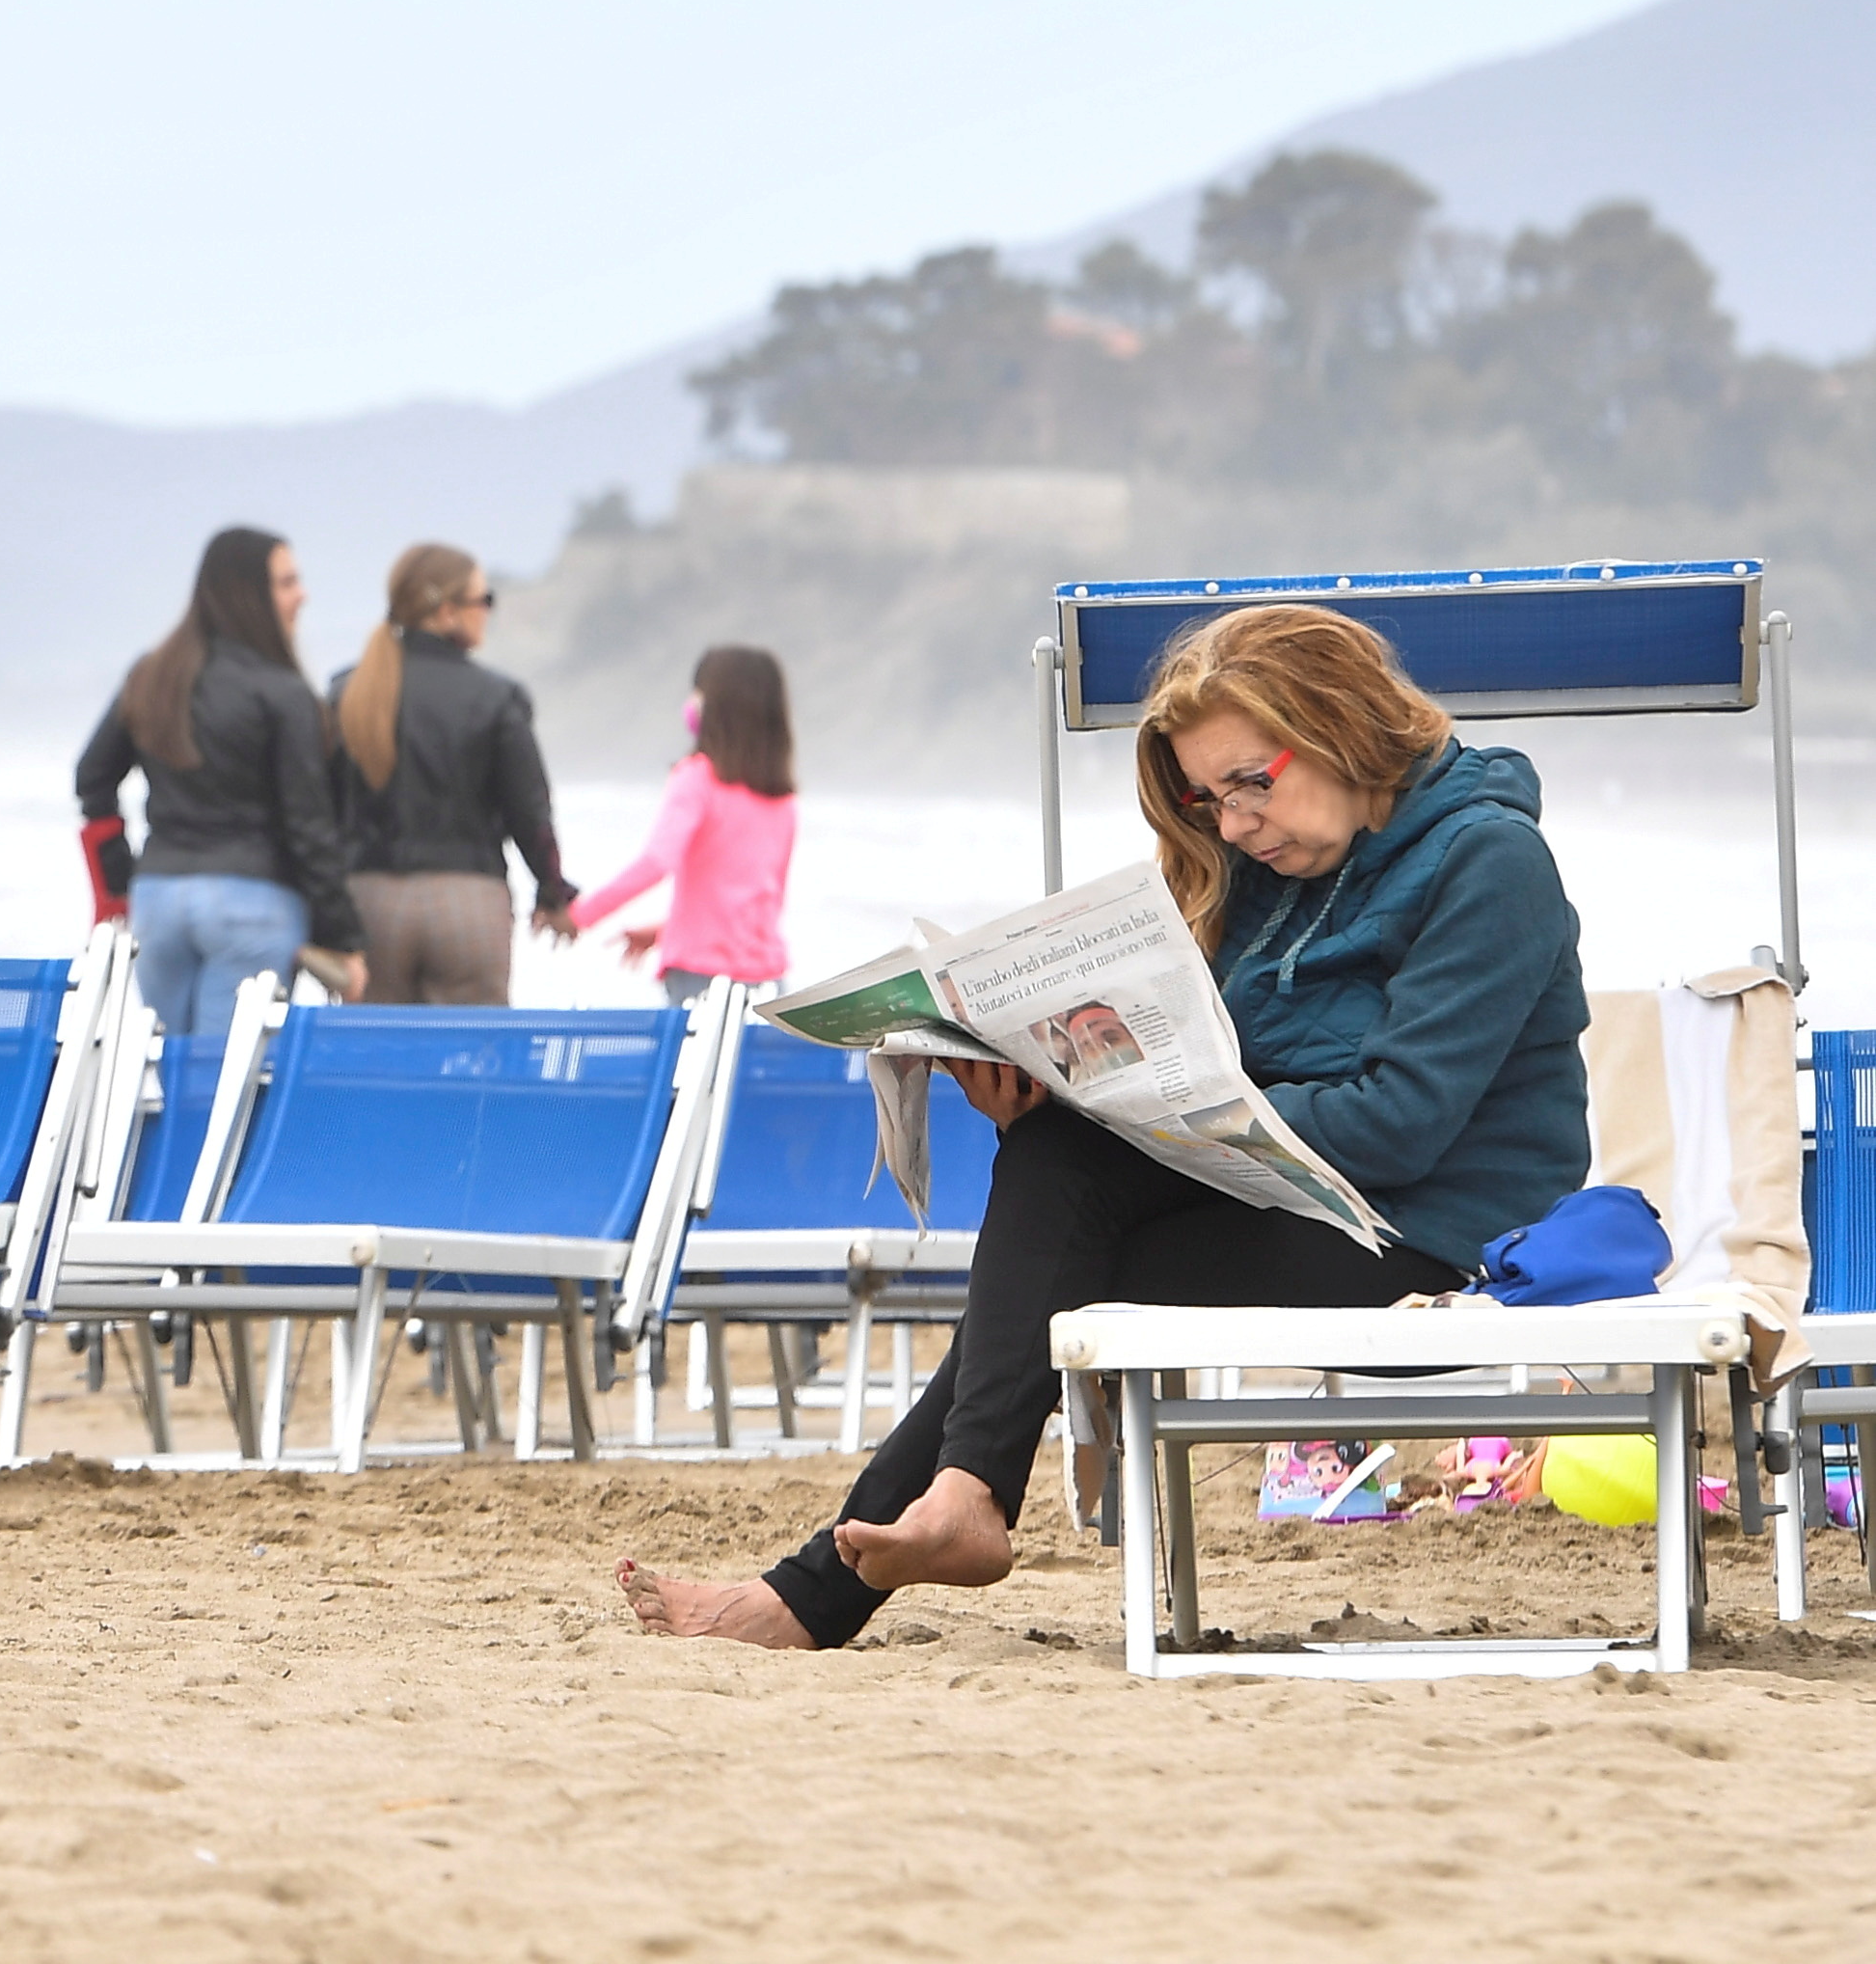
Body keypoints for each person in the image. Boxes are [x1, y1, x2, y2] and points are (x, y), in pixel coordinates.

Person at [619, 600, 1591, 1650]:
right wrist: (1052, 1085)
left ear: (1343, 727)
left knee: (1065, 1207)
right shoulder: (1268, 876)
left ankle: (855, 1568)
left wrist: (1138, 1120)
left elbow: (1397, 1123)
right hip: (1298, 1204)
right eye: (1207, 798)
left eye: (1248, 783)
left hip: (1439, 1243)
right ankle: (925, 1522)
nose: (1231, 824)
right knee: (1055, 1172)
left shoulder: (1490, 861)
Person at [75, 528, 367, 1033]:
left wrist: (121, 881)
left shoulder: (152, 676)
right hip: (253, 903)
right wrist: (343, 938)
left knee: (162, 1071)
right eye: (287, 582)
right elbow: (309, 825)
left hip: (160, 900)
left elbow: (93, 777)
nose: (303, 595)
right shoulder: (284, 692)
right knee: (223, 1082)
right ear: (248, 593)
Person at [327, 542, 573, 1005]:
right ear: (447, 613)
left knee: (379, 1059)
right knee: (474, 1061)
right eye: (484, 600)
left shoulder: (346, 693)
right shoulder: (497, 698)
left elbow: (318, 810)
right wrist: (552, 893)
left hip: (369, 904)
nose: (488, 612)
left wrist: (323, 909)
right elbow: (530, 812)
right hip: (468, 902)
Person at [556, 644, 799, 999]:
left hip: (701, 979)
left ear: (716, 707)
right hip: (769, 982)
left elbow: (657, 862)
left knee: (692, 1057)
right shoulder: (782, 799)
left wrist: (580, 915)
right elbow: (757, 902)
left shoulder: (697, 777)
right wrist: (666, 932)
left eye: (698, 692)